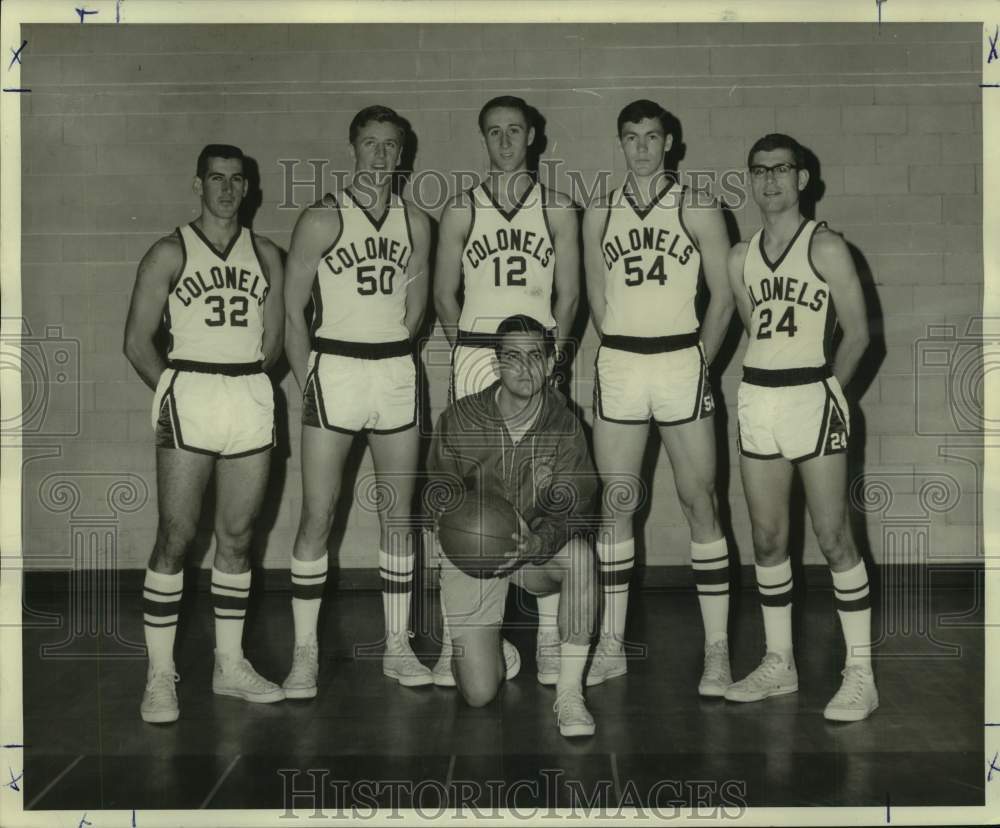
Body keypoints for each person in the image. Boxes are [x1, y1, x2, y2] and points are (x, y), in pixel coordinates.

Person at [124, 144, 286, 723]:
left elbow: (276, 343)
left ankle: (229, 664)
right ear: (198, 185)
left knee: (238, 536)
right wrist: (174, 390)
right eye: (215, 179)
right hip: (189, 391)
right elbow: (137, 341)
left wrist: (241, 383)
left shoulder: (267, 254)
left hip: (246, 394)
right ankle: (160, 673)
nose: (225, 189)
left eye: (236, 180)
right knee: (176, 533)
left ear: (248, 188)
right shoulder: (169, 250)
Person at [581, 100, 735, 694]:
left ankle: (717, 651)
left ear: (669, 142)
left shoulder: (697, 205)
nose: (642, 147)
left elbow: (723, 297)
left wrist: (700, 360)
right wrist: (617, 349)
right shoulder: (600, 210)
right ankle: (613, 643)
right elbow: (597, 299)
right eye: (631, 137)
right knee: (617, 502)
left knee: (701, 501)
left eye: (651, 137)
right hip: (621, 360)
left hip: (679, 360)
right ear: (621, 143)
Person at [281, 105, 433, 696]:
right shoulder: (322, 218)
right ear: (353, 149)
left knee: (399, 516)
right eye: (370, 144)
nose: (380, 154)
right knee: (318, 513)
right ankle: (304, 654)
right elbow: (292, 312)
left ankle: (397, 647)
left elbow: (416, 312)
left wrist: (394, 353)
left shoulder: (417, 222)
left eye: (390, 146)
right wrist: (308, 379)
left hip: (394, 369)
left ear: (402, 155)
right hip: (334, 367)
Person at [725, 133, 877, 721]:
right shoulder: (740, 257)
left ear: (803, 178)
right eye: (759, 171)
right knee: (766, 539)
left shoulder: (828, 246)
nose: (770, 181)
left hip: (813, 395)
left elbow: (860, 335)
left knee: (834, 537)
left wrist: (829, 391)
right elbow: (754, 330)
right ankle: (779, 662)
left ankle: (860, 671)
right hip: (759, 399)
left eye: (782, 170)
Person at [433, 95, 580, 685]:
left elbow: (568, 298)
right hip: (476, 352)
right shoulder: (461, 209)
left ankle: (547, 638)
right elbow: (444, 294)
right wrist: (469, 351)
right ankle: (458, 637)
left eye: (514, 131)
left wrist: (555, 361)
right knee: (463, 495)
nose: (504, 141)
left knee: (540, 490)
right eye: (492, 132)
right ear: (483, 138)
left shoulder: (559, 209)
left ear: (533, 136)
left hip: (536, 357)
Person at [428, 315, 599, 736]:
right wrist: (458, 534)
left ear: (550, 361)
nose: (524, 369)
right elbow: (436, 493)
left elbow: (578, 506)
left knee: (579, 556)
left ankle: (570, 693)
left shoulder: (565, 424)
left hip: (530, 552)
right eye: (512, 357)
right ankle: (484, 643)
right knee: (480, 694)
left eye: (534, 357)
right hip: (475, 555)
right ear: (496, 362)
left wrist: (537, 542)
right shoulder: (461, 417)